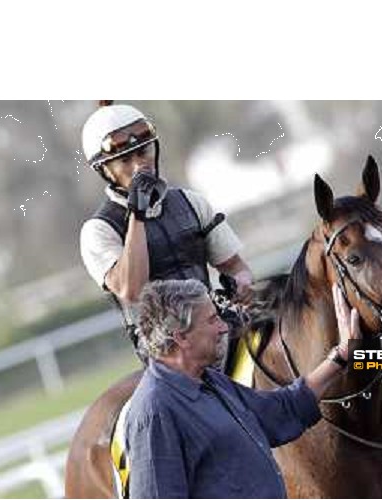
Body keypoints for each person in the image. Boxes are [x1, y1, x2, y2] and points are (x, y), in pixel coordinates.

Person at [125, 278, 360, 499]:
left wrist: (341, 356)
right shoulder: (153, 411)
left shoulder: (210, 381)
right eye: (212, 320)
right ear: (181, 337)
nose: (223, 328)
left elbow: (280, 411)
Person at [79, 102, 253, 359]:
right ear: (105, 170)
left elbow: (235, 266)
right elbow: (132, 289)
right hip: (164, 352)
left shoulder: (192, 202)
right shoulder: (97, 231)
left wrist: (243, 282)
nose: (139, 166)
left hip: (217, 328)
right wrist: (136, 213)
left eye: (143, 152)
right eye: (125, 160)